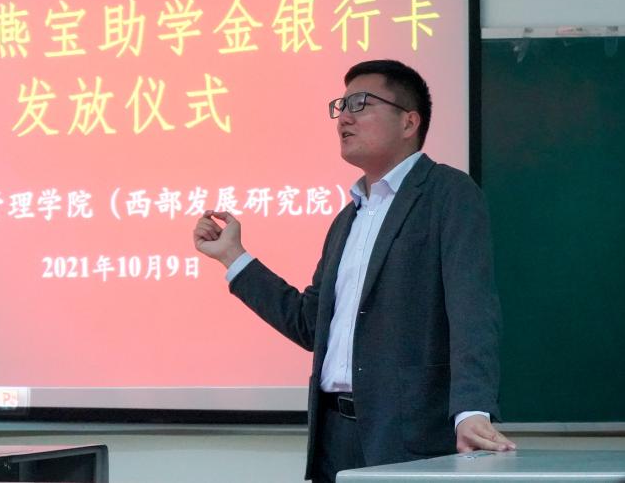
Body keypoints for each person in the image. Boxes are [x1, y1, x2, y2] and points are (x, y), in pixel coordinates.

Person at [193, 59, 514, 482]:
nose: (344, 117)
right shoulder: (348, 219)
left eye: (360, 103)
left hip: (407, 436)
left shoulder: (447, 194)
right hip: (334, 437)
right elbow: (310, 325)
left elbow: (472, 309)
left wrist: (472, 410)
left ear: (409, 122)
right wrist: (234, 257)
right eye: (341, 106)